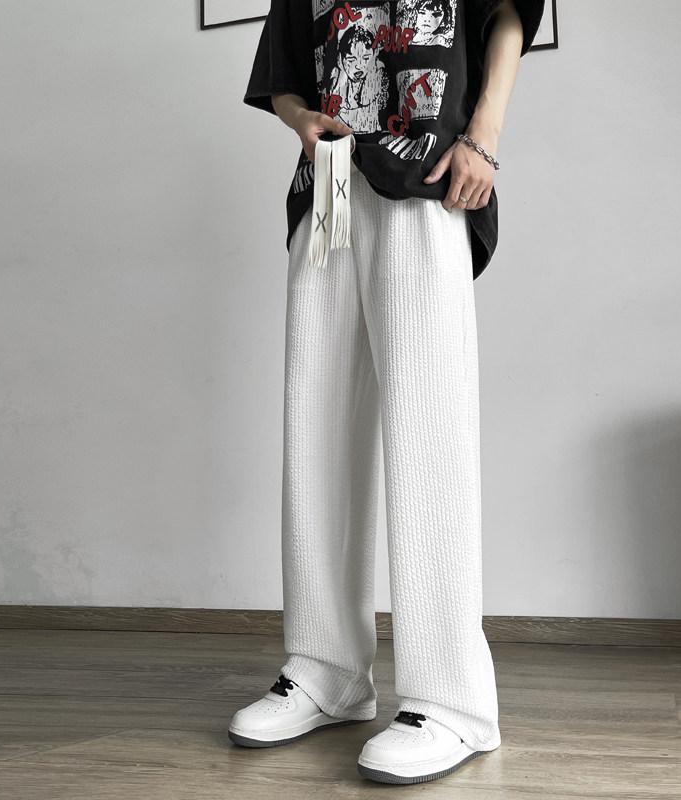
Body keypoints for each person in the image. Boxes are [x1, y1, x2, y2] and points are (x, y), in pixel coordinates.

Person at [230, 0, 544, 785]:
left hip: (427, 175)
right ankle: (326, 668)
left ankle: (452, 700)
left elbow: (510, 14)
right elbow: (284, 71)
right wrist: (301, 122)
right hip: (330, 186)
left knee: (427, 431)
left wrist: (484, 137)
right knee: (317, 426)